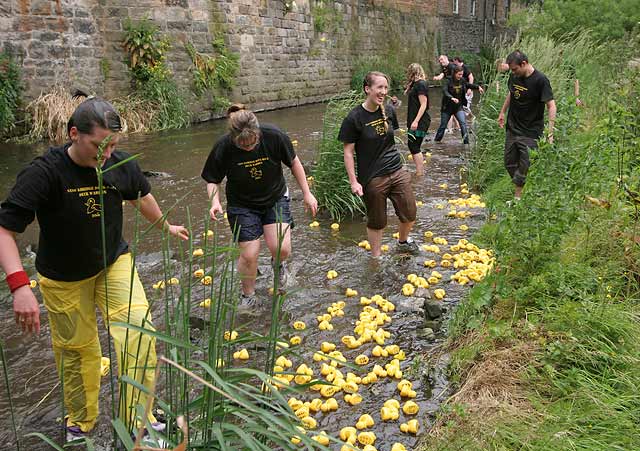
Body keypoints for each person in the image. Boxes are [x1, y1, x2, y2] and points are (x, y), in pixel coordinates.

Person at [0, 98, 189, 441]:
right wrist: (19, 287)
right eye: (98, 145)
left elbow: (141, 195)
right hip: (63, 278)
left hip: (113, 262)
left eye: (113, 145)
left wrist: (166, 227)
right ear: (74, 134)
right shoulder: (44, 172)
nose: (106, 154)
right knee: (78, 353)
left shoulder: (118, 162)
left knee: (139, 333)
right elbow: (4, 230)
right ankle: (81, 422)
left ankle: (138, 418)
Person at [201, 104, 318, 306]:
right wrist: (215, 202)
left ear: (258, 133)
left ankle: (278, 265)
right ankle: (248, 296)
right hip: (242, 204)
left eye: (251, 143)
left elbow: (295, 163)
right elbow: (213, 179)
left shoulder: (274, 136)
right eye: (242, 145)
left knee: (281, 248)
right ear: (233, 138)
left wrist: (307, 193)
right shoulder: (223, 146)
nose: (247, 147)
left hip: (275, 197)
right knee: (249, 254)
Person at [339, 71, 418, 257]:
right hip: (373, 177)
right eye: (379, 87)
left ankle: (402, 241)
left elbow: (392, 138)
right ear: (368, 89)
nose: (383, 91)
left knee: (410, 212)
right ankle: (375, 257)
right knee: (378, 221)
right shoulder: (354, 118)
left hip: (396, 169)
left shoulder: (389, 111)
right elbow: (348, 153)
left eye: (385, 87)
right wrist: (353, 181)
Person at [498, 50, 556, 200]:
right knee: (509, 163)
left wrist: (550, 133)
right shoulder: (514, 76)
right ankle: (525, 188)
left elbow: (551, 105)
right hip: (512, 127)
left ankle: (518, 199)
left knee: (525, 166)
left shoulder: (540, 80)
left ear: (524, 64)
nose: (513, 73)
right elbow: (512, 93)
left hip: (531, 131)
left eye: (515, 69)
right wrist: (502, 112)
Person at [434, 65, 484, 144]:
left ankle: (466, 143)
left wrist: (478, 87)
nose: (460, 76)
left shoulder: (462, 80)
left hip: (458, 107)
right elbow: (444, 91)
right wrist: (451, 98)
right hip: (447, 107)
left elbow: (468, 85)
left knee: (463, 124)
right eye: (459, 74)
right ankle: (436, 142)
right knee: (443, 126)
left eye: (461, 74)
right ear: (454, 73)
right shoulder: (448, 80)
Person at [405, 63, 430, 176]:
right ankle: (419, 172)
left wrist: (416, 121)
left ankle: (420, 173)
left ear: (412, 72)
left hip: (420, 121)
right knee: (412, 145)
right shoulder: (416, 84)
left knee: (414, 146)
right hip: (414, 119)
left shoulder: (421, 85)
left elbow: (423, 104)